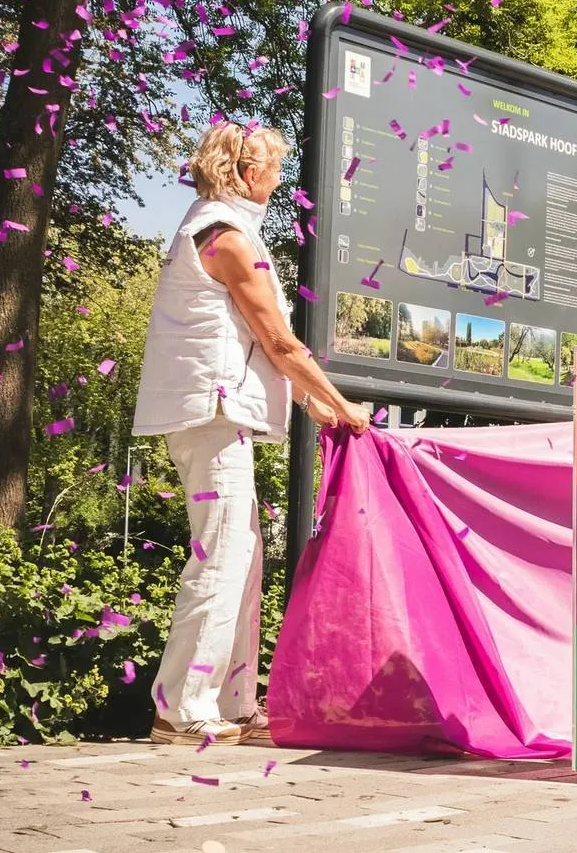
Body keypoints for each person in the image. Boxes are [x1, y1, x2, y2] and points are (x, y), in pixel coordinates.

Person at [132, 121, 371, 747]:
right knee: (222, 552)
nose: (279, 177)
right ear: (245, 172)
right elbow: (279, 341)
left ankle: (232, 705)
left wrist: (313, 404)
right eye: (273, 167)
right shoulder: (226, 238)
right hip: (211, 411)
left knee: (243, 551)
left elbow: (259, 343)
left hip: (217, 412)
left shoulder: (221, 229)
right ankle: (180, 709)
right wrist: (339, 403)